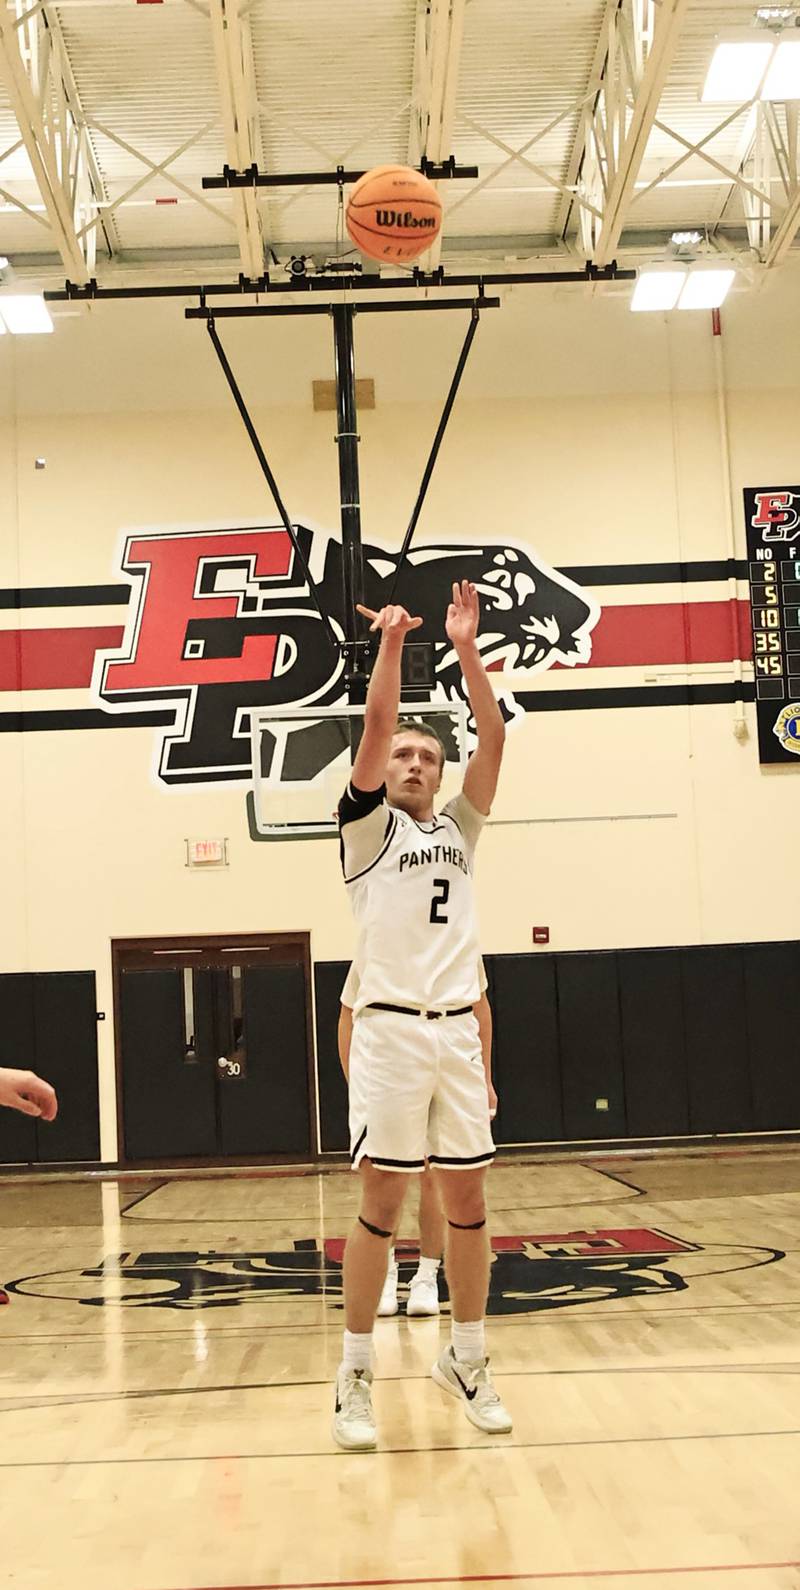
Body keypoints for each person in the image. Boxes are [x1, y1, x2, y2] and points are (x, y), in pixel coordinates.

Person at [333, 579, 512, 1450]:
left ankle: (467, 1357)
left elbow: (495, 738)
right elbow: (373, 727)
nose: (412, 764)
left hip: (455, 1031)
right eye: (404, 755)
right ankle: (355, 1373)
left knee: (468, 1200)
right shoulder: (367, 833)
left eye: (426, 758)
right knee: (383, 1200)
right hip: (392, 1029)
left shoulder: (459, 832)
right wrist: (396, 643)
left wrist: (467, 650)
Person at [338, 961, 497, 1317]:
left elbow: (480, 1008)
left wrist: (485, 1079)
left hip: (447, 1069)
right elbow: (348, 1016)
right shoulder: (378, 948)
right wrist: (359, 1087)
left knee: (434, 1179)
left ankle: (426, 1276)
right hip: (392, 1073)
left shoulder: (459, 947)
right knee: (386, 1184)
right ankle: (387, 1273)